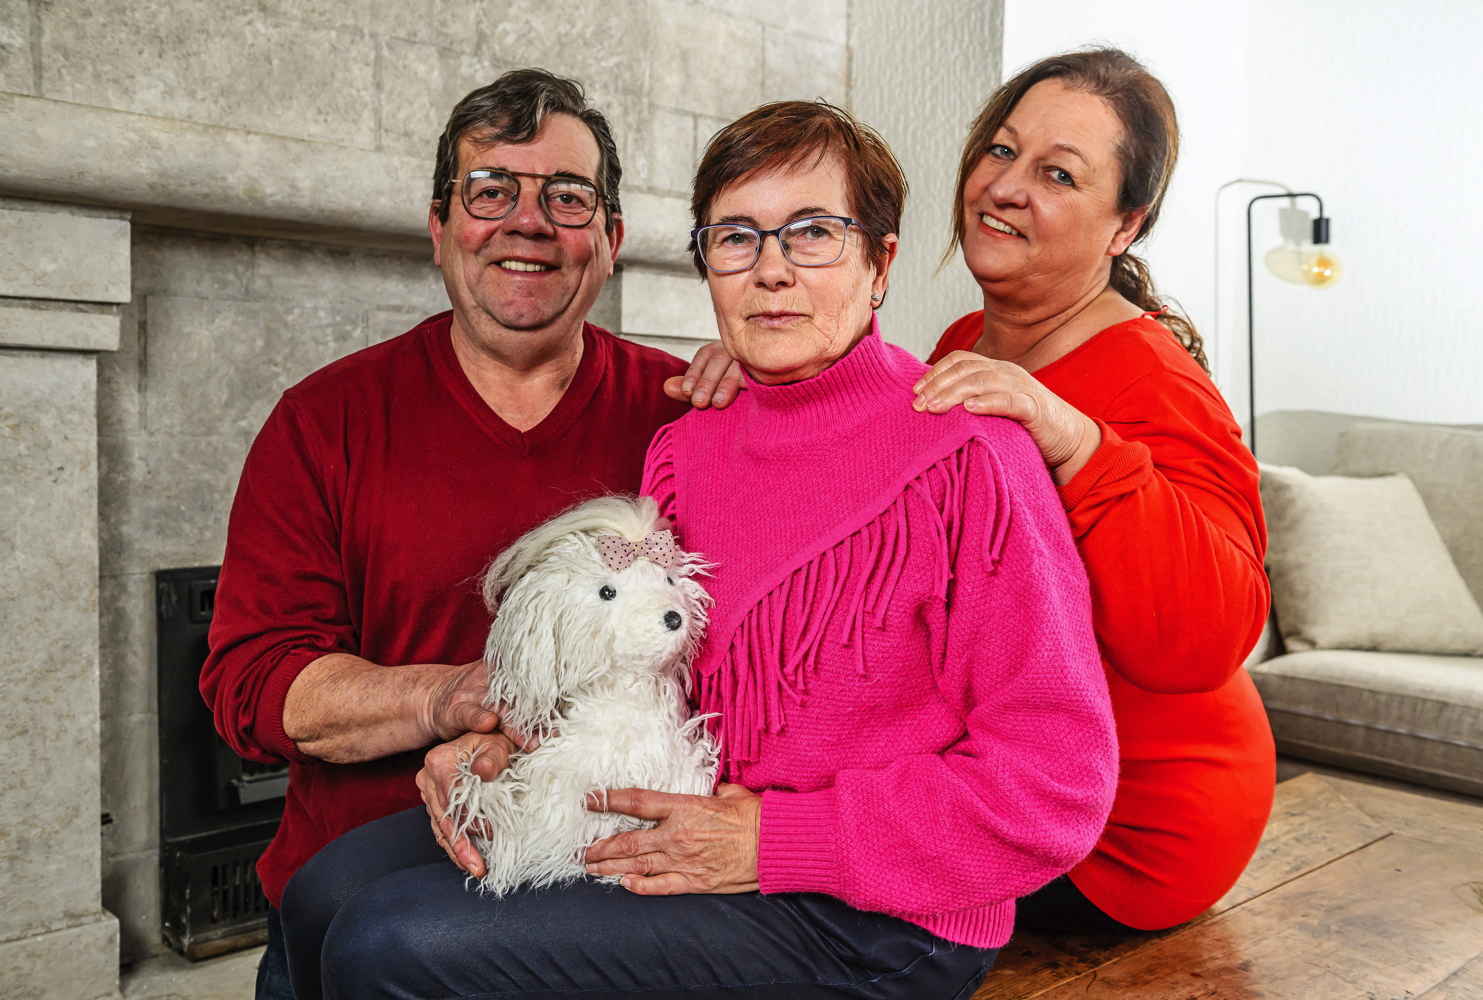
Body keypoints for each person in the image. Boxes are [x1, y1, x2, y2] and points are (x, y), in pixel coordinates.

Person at [282, 100, 1118, 1000]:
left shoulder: (970, 458)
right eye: (736, 239)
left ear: (880, 262)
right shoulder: (688, 447)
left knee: (389, 940)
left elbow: (1053, 787)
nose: (771, 272)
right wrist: (511, 756)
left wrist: (772, 842)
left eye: (813, 234)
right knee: (323, 892)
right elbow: (649, 666)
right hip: (674, 811)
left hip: (875, 916)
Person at [199, 69, 693, 1000]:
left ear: (613, 239)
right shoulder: (325, 420)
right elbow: (252, 685)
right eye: (491, 191)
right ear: (441, 229)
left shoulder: (684, 420)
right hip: (345, 904)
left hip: (605, 910)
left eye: (568, 197)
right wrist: (453, 698)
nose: (528, 221)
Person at [910, 49, 1277, 932]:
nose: (1005, 187)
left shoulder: (1155, 378)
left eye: (1058, 174)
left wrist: (1074, 438)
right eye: (1000, 151)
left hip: (1136, 823)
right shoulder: (967, 337)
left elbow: (1215, 634)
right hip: (1013, 770)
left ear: (1125, 226)